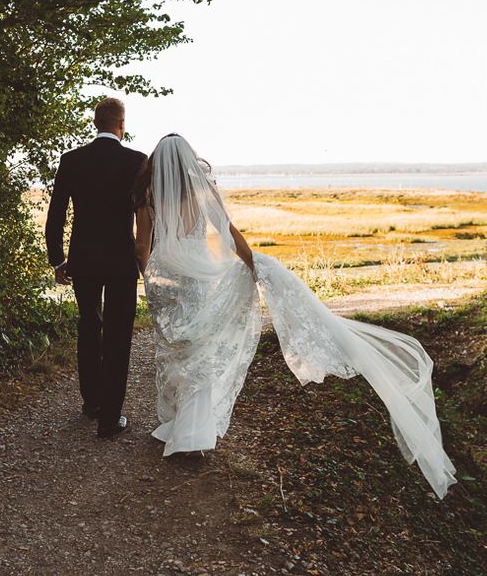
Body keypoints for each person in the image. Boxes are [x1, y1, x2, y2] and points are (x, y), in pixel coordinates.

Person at [134, 133, 456, 499]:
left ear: (158, 163)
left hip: (165, 278)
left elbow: (143, 245)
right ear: (189, 161)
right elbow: (227, 231)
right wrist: (252, 262)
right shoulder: (201, 190)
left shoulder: (147, 194)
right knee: (201, 351)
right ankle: (190, 435)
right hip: (197, 279)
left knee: (175, 350)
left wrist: (150, 280)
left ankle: (178, 425)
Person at [45, 98, 147, 438]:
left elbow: (56, 213)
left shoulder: (72, 160)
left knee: (89, 326)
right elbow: (144, 218)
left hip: (83, 260)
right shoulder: (136, 161)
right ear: (122, 125)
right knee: (118, 336)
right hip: (120, 262)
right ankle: (109, 420)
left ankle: (91, 403)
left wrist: (57, 258)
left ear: (94, 123)